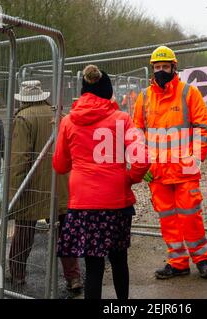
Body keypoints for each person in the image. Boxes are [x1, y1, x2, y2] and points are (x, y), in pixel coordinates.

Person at [53, 65, 150, 300]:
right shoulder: (122, 119)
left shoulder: (68, 121)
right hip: (116, 202)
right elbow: (142, 158)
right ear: (108, 91)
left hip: (83, 204)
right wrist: (129, 178)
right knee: (119, 261)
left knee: (93, 266)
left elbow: (60, 165)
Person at [133, 46, 207, 280]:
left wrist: (195, 160)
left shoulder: (189, 93)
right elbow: (136, 132)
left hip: (184, 171)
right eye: (157, 67)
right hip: (157, 173)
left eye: (164, 67)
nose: (160, 71)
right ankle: (178, 262)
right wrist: (142, 165)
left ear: (173, 67)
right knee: (168, 221)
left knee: (191, 217)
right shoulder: (144, 97)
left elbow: (204, 128)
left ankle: (201, 259)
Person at [8, 80, 81, 291]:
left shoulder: (23, 118)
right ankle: (73, 278)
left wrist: (14, 191)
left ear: (23, 98)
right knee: (65, 234)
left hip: (32, 186)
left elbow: (19, 159)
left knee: (23, 232)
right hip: (61, 182)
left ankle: (18, 275)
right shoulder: (59, 115)